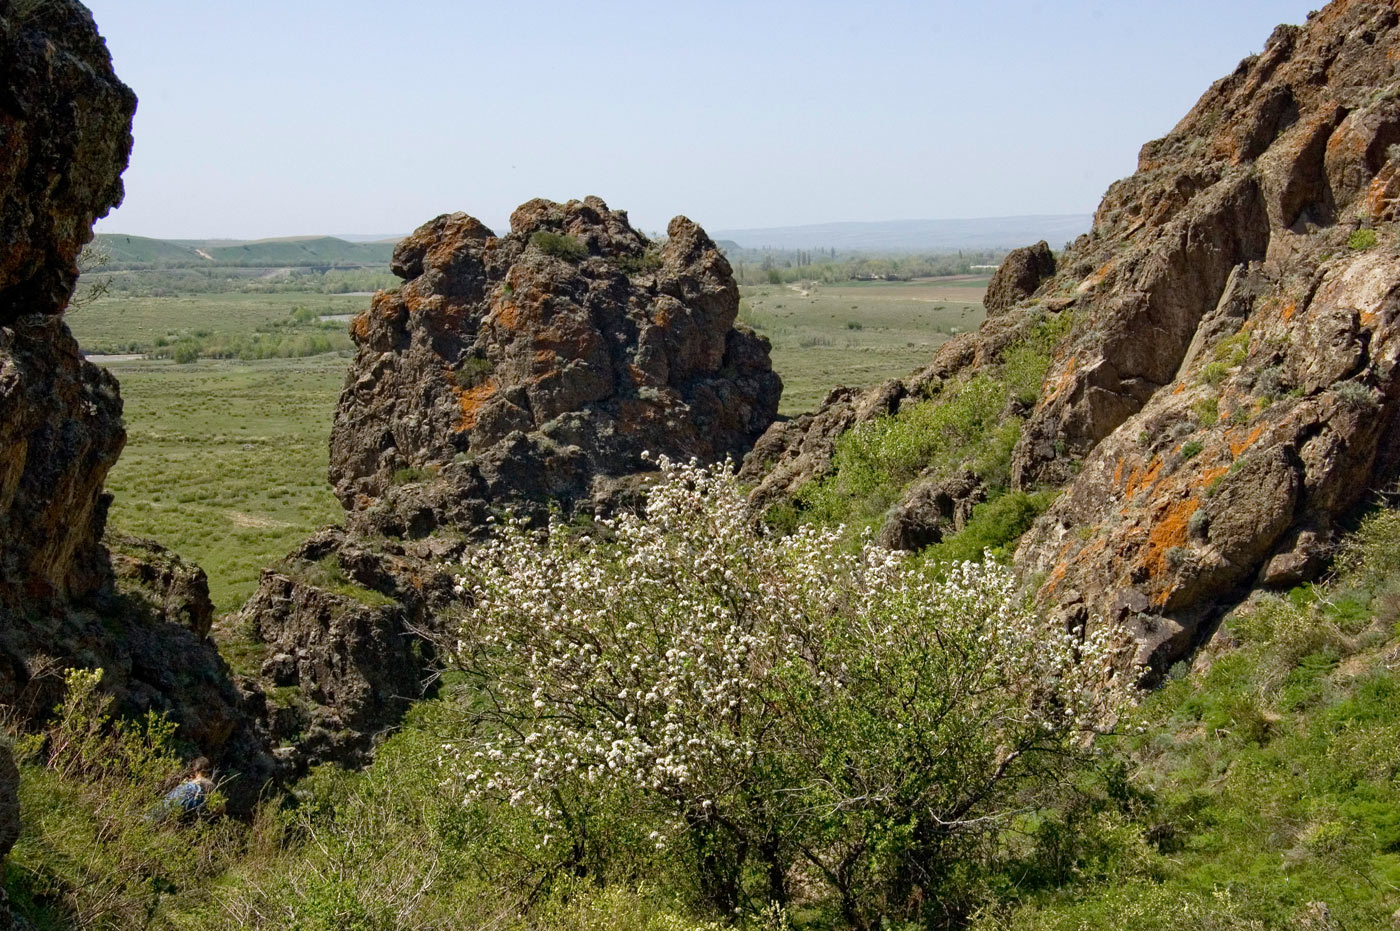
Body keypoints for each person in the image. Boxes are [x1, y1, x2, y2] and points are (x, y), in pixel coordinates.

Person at [147, 757, 216, 823]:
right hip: (194, 819)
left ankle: (147, 818)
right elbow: (219, 808)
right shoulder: (210, 785)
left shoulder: (187, 785)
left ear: (194, 769)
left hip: (176, 814)